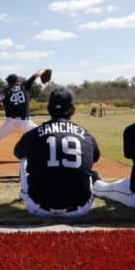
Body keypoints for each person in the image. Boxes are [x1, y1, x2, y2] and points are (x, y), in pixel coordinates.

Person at [14, 87, 100, 217]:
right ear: (73, 110)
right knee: (90, 170)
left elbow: (18, 153)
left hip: (38, 207)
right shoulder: (86, 134)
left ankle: (24, 192)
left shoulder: (33, 134)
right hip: (80, 209)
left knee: (24, 158)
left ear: (48, 109)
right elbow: (95, 157)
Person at [0, 69, 49, 162]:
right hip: (26, 123)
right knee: (42, 134)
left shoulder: (7, 91)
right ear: (17, 81)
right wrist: (44, 70)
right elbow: (36, 75)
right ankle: (49, 154)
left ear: (9, 83)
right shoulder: (24, 86)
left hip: (10, 123)